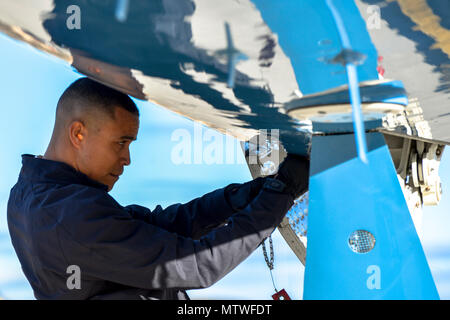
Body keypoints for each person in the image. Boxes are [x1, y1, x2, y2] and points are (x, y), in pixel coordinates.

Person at [7, 77, 309, 300]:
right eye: (121, 143)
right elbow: (199, 265)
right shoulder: (70, 214)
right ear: (78, 133)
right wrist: (282, 191)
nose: (127, 159)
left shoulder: (31, 194)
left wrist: (237, 199)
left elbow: (155, 226)